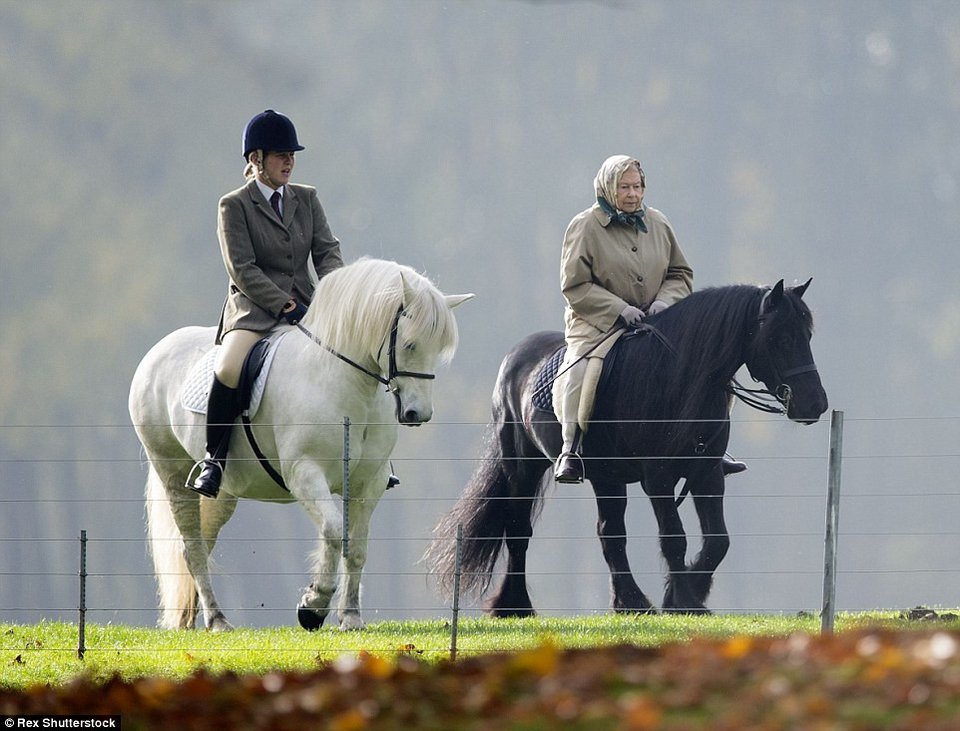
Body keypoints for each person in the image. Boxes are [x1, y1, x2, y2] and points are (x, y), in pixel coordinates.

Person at [552, 155, 746, 484]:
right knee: (583, 368)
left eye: (637, 186)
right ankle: (571, 448)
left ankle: (712, 447)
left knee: (709, 365)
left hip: (658, 322)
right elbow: (575, 285)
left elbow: (680, 273)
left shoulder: (658, 222)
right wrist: (618, 309)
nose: (632, 194)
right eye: (624, 187)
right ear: (608, 188)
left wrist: (664, 303)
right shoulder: (584, 226)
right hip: (598, 325)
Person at [187, 109, 344, 498]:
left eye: (292, 155)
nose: (289, 161)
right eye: (280, 155)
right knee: (229, 367)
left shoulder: (306, 199)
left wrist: (339, 293)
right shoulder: (234, 205)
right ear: (256, 160)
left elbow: (327, 253)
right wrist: (284, 305)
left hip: (309, 306)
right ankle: (214, 459)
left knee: (351, 356)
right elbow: (242, 269)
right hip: (254, 311)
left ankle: (370, 459)